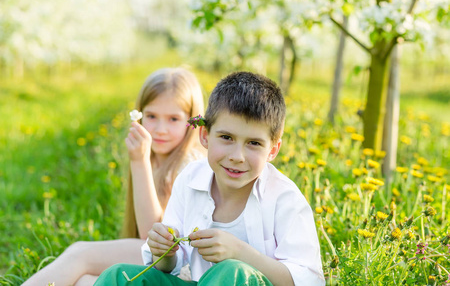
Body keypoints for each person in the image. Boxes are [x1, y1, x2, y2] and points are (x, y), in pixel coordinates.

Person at [94, 71, 325, 286]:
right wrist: (162, 251)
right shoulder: (191, 180)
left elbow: (309, 280)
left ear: (273, 150)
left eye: (254, 143)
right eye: (226, 137)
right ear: (205, 135)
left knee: (232, 271)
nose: (237, 156)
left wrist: (240, 252)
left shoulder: (284, 198)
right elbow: (170, 267)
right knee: (118, 276)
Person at [23, 67, 206, 286]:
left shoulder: (190, 163)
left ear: (192, 121)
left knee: (81, 254)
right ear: (139, 115)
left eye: (173, 119)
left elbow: (155, 236)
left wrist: (139, 162)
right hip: (156, 259)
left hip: (176, 266)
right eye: (151, 116)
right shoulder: (156, 157)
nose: (160, 129)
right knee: (85, 281)